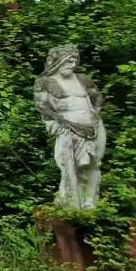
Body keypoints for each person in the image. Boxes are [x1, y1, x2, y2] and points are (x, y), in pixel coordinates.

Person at [33, 45, 107, 209]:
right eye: (68, 60)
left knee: (93, 164)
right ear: (58, 62)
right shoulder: (45, 82)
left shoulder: (83, 79)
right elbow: (41, 106)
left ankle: (90, 201)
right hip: (68, 127)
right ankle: (70, 203)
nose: (72, 64)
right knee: (69, 166)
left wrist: (96, 112)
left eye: (75, 60)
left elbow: (98, 97)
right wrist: (57, 120)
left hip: (93, 126)